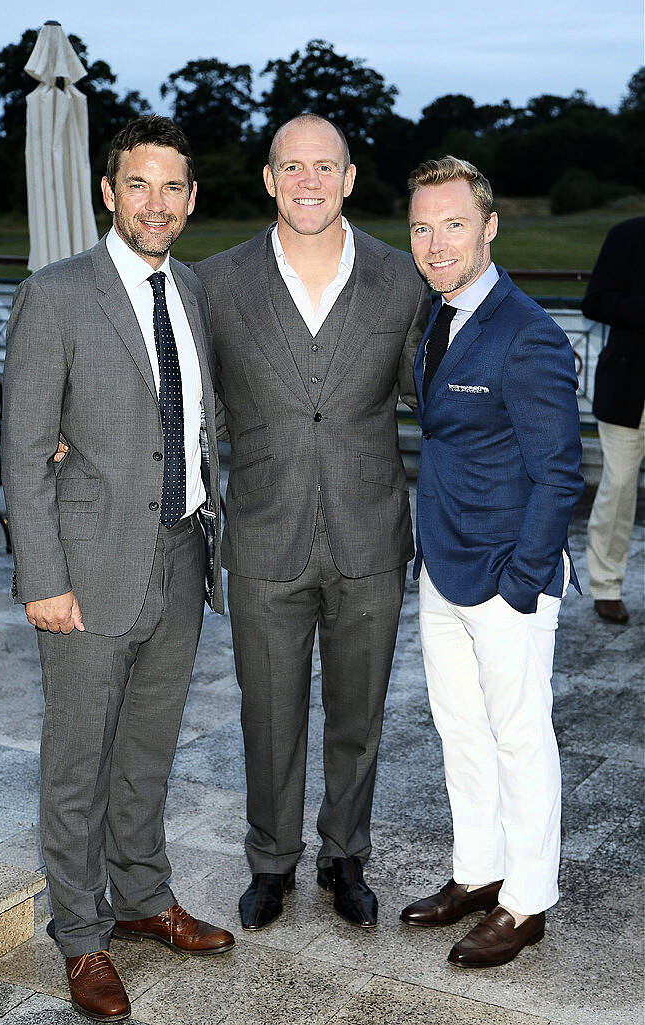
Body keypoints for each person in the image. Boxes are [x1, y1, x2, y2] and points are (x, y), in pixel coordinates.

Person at [1, 115, 234, 1024]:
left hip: (181, 556)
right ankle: (82, 936)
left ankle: (143, 897)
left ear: (190, 200)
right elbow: (25, 453)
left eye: (173, 187)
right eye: (139, 184)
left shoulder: (195, 293)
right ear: (109, 192)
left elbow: (199, 419)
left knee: (146, 753)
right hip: (88, 570)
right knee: (77, 763)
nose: (156, 203)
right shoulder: (56, 293)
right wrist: (41, 578)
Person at [194, 114, 430, 931]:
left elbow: (435, 392)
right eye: (291, 167)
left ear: (350, 179)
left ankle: (343, 855)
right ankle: (271, 860)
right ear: (268, 179)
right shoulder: (215, 282)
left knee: (360, 715)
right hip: (264, 536)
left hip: (370, 533)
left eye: (323, 167)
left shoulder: (404, 280)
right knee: (269, 712)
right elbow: (187, 403)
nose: (307, 182)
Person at [398, 157, 583, 968]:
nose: (436, 243)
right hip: (442, 564)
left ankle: (528, 898)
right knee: (459, 729)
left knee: (518, 735)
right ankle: (478, 872)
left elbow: (560, 472)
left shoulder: (529, 333)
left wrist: (521, 581)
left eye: (454, 224)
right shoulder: (437, 317)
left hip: (508, 574)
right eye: (422, 227)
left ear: (490, 227)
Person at [582, 216, 645, 625]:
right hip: (628, 388)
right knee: (619, 487)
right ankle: (606, 586)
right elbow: (595, 301)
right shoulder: (625, 235)